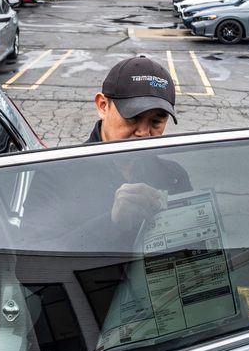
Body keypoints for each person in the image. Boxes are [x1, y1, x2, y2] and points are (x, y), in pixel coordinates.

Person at [21, 56, 191, 249]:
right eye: (133, 118)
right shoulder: (56, 173)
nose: (144, 133)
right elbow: (30, 267)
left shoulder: (173, 176)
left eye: (156, 122)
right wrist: (111, 224)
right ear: (102, 106)